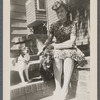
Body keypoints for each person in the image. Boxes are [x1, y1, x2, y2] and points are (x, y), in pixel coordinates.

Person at [39, 1, 85, 100]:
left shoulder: (73, 24)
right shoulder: (54, 25)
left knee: (68, 56)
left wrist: (55, 45)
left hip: (69, 49)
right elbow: (49, 39)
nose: (59, 14)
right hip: (58, 50)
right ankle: (58, 88)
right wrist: (44, 46)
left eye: (61, 11)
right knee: (57, 56)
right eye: (57, 12)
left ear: (66, 11)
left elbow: (71, 43)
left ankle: (65, 89)